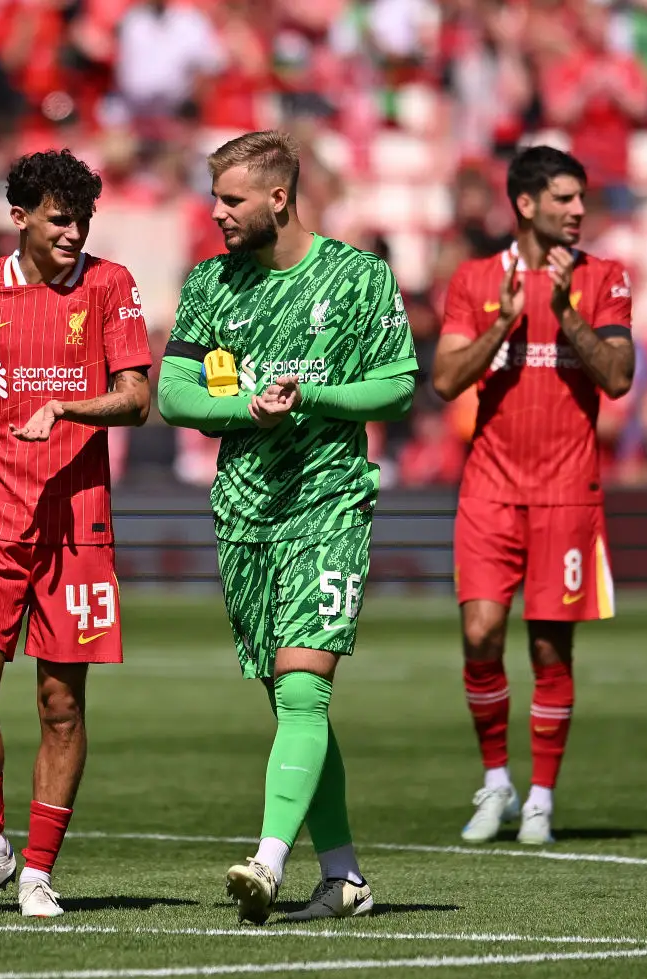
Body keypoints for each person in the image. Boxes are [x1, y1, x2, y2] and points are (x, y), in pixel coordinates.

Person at [157, 130, 417, 924]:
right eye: (214, 197)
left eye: (230, 199)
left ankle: (267, 862)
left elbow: (397, 386)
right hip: (243, 512)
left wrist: (313, 397)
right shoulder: (210, 283)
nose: (217, 213)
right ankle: (343, 876)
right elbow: (173, 393)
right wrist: (249, 408)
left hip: (329, 503)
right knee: (293, 701)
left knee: (304, 688)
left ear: (278, 197)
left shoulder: (360, 276)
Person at [0, 150, 151, 917]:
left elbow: (137, 397)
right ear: (19, 217)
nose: (74, 233)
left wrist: (70, 407)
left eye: (83, 220)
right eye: (59, 219)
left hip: (78, 528)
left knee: (60, 703)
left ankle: (39, 869)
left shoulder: (110, 286)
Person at [432, 145, 635, 846]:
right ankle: (497, 781)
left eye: (580, 198)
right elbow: (445, 380)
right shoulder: (475, 278)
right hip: (489, 489)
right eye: (564, 198)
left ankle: (541, 797)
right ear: (525, 204)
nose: (578, 210)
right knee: (480, 634)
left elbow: (618, 378)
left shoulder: (605, 276)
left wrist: (565, 311)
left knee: (550, 649)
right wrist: (504, 322)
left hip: (567, 492)